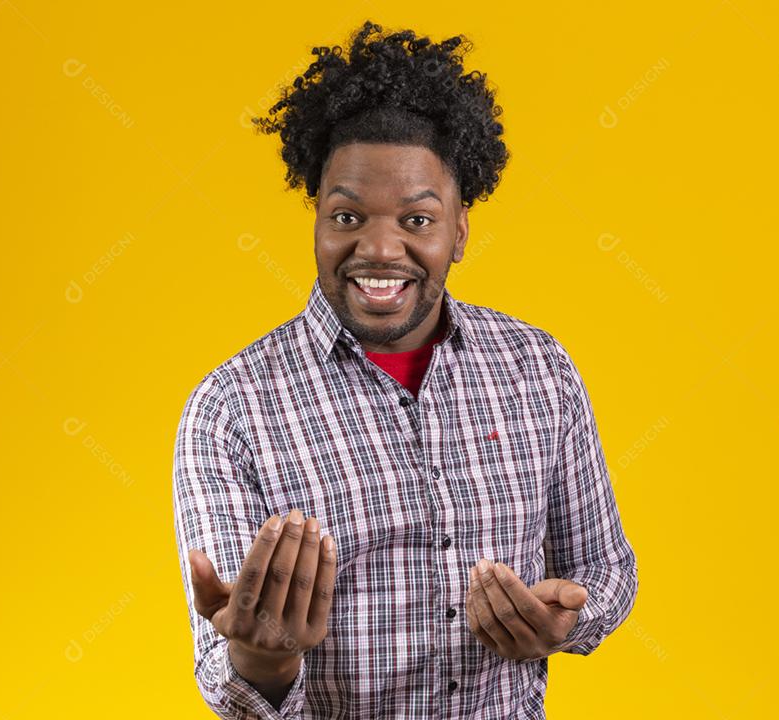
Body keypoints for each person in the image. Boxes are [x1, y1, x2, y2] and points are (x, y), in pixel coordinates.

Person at [172, 20, 638, 719]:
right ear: (318, 220)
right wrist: (263, 659)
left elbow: (607, 570)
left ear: (459, 231)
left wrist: (567, 619)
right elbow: (227, 684)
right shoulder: (230, 411)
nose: (380, 249)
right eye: (347, 216)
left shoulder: (539, 370)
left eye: (417, 220)